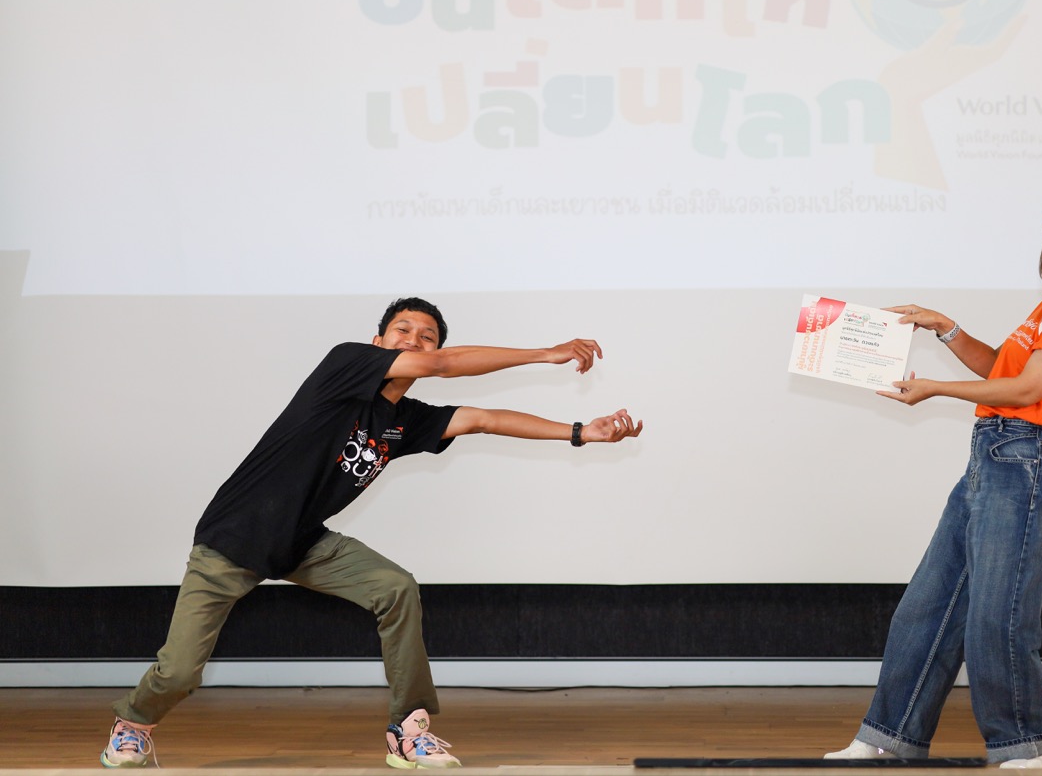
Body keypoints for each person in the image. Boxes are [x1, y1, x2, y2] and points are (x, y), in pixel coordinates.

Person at [100, 297, 643, 770]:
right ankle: (134, 722)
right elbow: (443, 365)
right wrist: (545, 353)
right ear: (378, 342)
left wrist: (580, 432)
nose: (415, 340)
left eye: (427, 336)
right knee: (178, 673)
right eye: (403, 330)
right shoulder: (346, 364)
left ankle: (408, 729)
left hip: (303, 543)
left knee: (395, 587)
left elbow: (483, 419)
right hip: (234, 537)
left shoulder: (406, 420)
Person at [824, 183, 1042, 769]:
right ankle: (890, 737)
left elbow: (1029, 389)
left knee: (997, 614)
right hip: (993, 456)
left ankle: (1035, 745)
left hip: (1027, 460)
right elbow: (1003, 371)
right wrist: (946, 327)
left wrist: (936, 388)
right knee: (927, 606)